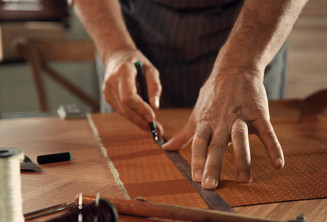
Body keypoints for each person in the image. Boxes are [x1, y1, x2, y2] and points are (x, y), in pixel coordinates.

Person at [73, 0, 308, 189]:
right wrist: (116, 50)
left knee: (249, 163)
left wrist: (242, 66)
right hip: (128, 28)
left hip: (252, 26)